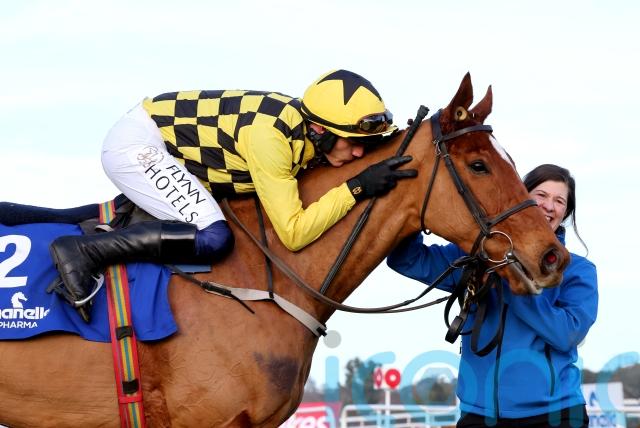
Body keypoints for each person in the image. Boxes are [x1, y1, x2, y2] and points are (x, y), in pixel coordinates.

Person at [49, 69, 417, 322]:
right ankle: (83, 252)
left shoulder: (306, 128)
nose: (357, 152)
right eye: (352, 143)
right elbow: (294, 233)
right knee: (215, 236)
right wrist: (356, 187)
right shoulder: (271, 140)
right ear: (319, 129)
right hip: (138, 146)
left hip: (170, 145)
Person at [387, 164, 598, 427]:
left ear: (566, 212)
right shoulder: (477, 255)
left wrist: (510, 279)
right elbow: (405, 259)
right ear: (520, 197)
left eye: (559, 201)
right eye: (541, 195)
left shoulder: (578, 270)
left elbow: (566, 334)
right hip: (479, 413)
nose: (549, 206)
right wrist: (419, 203)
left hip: (555, 414)